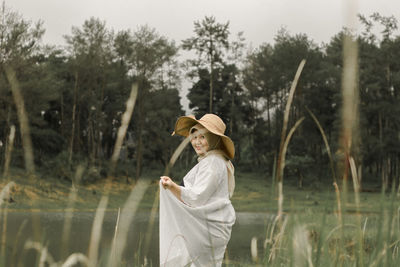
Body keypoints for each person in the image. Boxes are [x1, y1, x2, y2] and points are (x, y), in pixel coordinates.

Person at [159, 113, 236, 267]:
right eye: (193, 137)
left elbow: (197, 197)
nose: (196, 142)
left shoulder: (213, 162)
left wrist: (172, 186)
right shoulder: (216, 160)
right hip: (213, 228)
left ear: (214, 139)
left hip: (209, 230)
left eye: (202, 137)